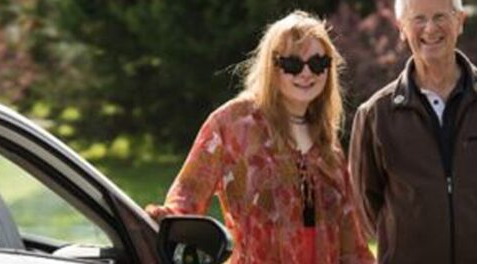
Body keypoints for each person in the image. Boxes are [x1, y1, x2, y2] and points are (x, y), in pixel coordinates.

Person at [145, 10, 375, 264]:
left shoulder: (326, 141)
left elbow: (351, 242)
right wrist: (160, 218)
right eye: (293, 64)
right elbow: (186, 196)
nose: (307, 73)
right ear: (272, 67)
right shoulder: (232, 124)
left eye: (318, 63)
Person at [348, 0, 477, 263]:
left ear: (460, 21)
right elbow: (364, 208)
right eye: (418, 19)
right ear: (401, 28)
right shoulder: (375, 115)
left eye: (440, 17)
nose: (430, 28)